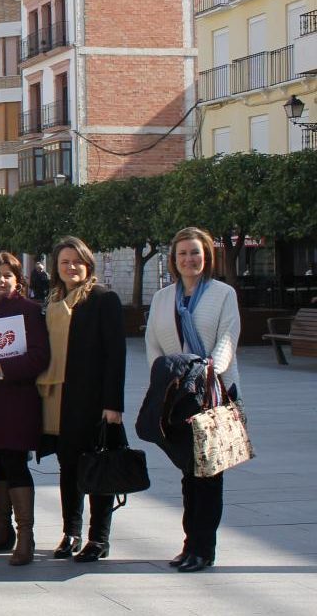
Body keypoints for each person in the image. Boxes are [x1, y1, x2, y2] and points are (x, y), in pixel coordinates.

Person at [145, 227, 241, 573]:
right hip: (178, 399)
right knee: (189, 474)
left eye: (195, 252)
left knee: (209, 475)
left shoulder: (223, 294)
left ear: (206, 256)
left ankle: (204, 548)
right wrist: (165, 380)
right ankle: (189, 544)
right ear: (174, 259)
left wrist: (206, 372)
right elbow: (153, 344)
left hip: (214, 394)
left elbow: (228, 339)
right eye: (183, 253)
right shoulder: (162, 298)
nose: (189, 259)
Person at [36, 236, 126, 563]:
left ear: (88, 264)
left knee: (97, 466)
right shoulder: (54, 300)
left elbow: (116, 355)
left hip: (91, 399)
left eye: (77, 261)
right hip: (58, 398)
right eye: (64, 262)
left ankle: (98, 538)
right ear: (56, 267)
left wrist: (113, 405)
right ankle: (71, 532)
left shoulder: (103, 299)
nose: (71, 267)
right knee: (68, 467)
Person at [0, 252, 50, 566]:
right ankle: (2, 530)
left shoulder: (29, 310)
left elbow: (40, 356)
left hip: (17, 400)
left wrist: (2, 367)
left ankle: (26, 534)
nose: (1, 280)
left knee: (15, 464)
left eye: (8, 275)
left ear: (18, 280)